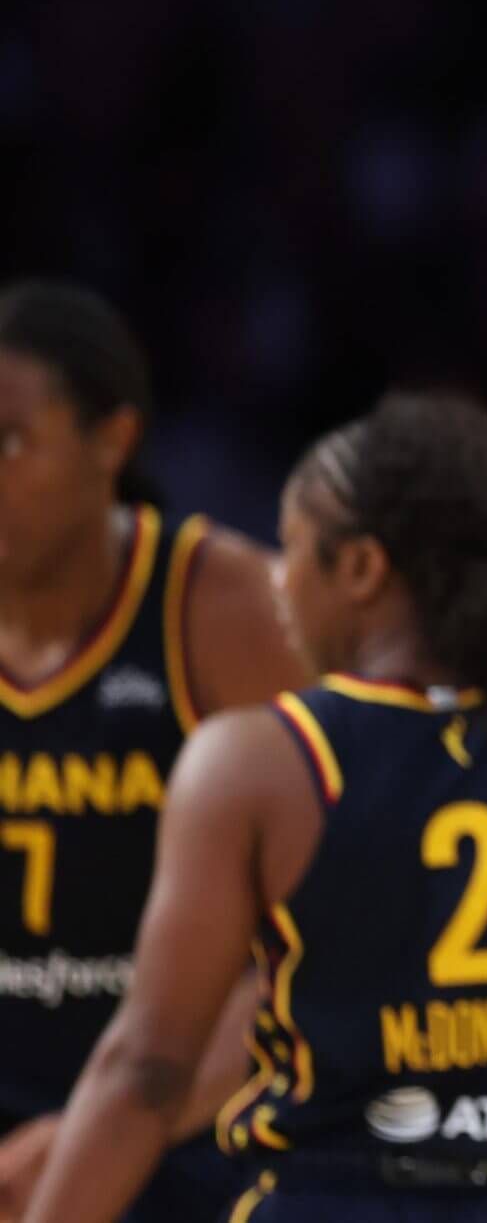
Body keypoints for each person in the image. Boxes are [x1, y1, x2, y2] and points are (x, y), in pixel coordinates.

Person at [21, 391, 487, 1222]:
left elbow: (148, 1070)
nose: (275, 581)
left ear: (362, 568)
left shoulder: (257, 762)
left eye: (291, 549)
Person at [0, 282, 310, 1221]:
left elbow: (338, 935)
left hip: (195, 1121)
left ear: (112, 440)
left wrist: (85, 1142)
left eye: (12, 439)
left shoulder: (233, 611)